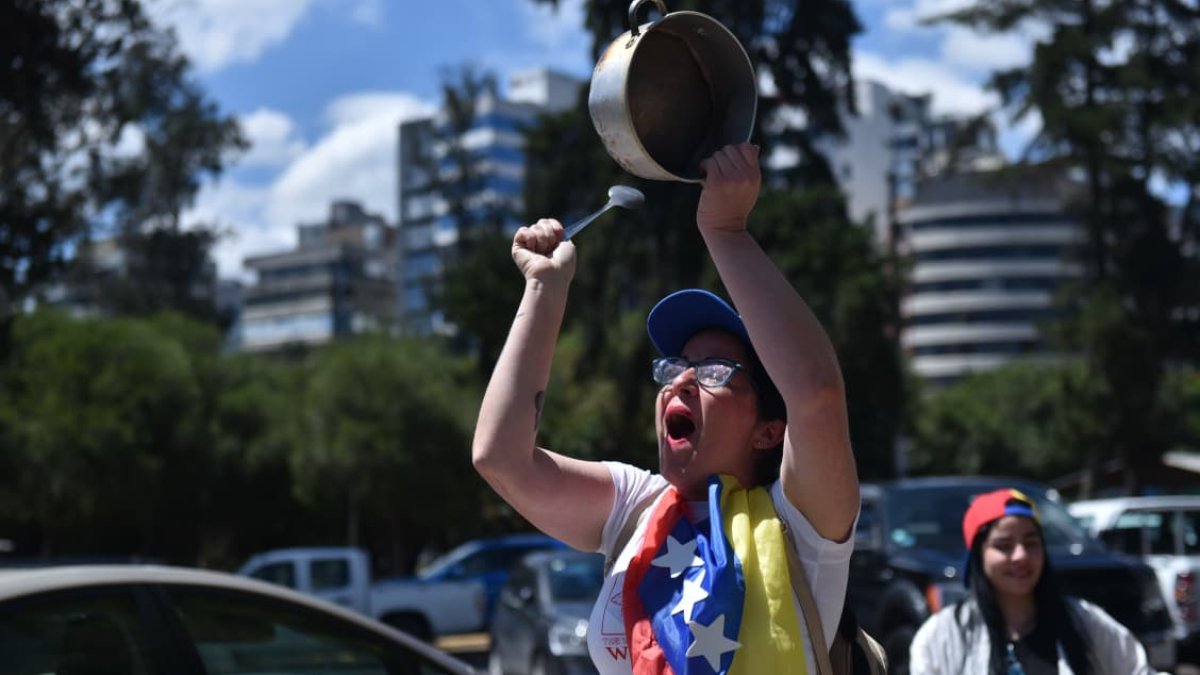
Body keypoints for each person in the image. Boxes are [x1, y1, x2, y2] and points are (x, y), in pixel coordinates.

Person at [472, 142, 860, 674]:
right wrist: (544, 289)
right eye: (674, 365)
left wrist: (727, 230)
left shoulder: (802, 519)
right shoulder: (638, 508)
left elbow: (815, 395)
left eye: (714, 372)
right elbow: (502, 457)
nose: (682, 380)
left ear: (770, 431)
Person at [908, 488, 1155, 674]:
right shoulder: (943, 635)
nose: (1021, 556)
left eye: (1031, 542)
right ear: (978, 555)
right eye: (1004, 546)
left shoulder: (1082, 621)